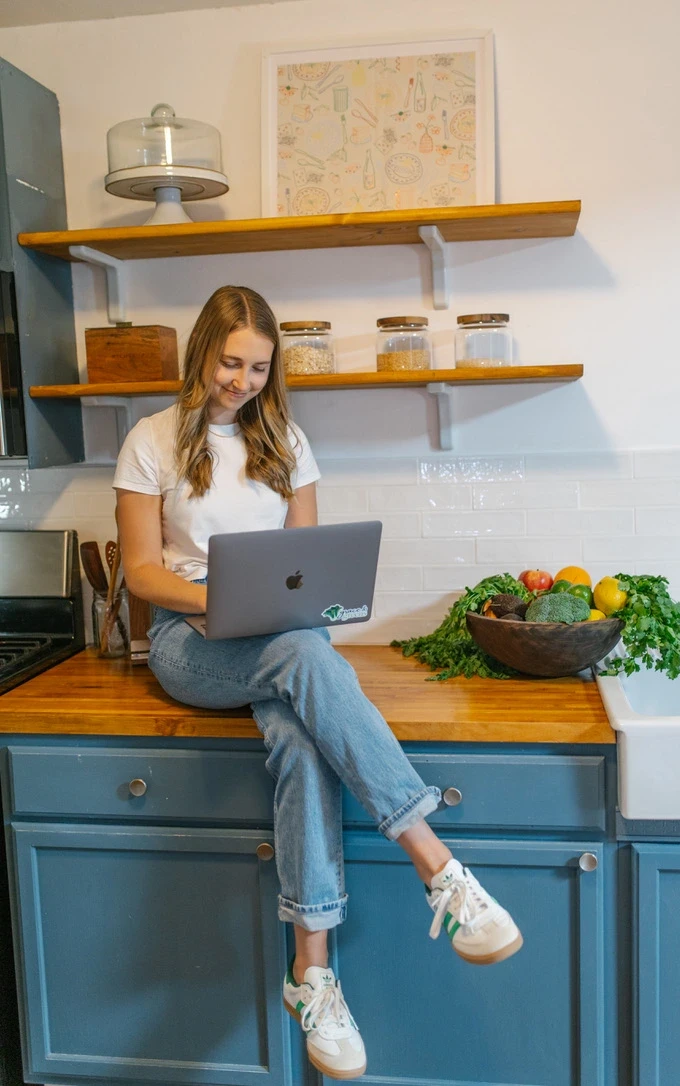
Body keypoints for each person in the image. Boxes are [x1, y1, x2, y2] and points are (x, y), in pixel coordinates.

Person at [113, 285, 523, 1081]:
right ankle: (437, 865)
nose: (241, 381)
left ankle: (313, 976)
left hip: (281, 641)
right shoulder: (151, 441)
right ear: (203, 351)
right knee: (303, 659)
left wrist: (282, 606)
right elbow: (140, 575)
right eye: (230, 361)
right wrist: (227, 602)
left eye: (259, 367)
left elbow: (299, 577)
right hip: (188, 645)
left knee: (303, 731)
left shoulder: (288, 442)